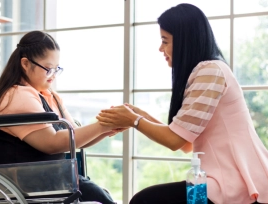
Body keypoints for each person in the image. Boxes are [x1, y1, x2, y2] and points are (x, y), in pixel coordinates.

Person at [96, 3, 268, 204]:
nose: (161, 48)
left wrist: (134, 120)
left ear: (186, 41)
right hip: (219, 183)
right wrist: (139, 115)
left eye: (165, 41)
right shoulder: (206, 71)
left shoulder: (210, 71)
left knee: (144, 200)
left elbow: (175, 141)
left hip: (233, 185)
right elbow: (186, 143)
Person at [0, 30, 118, 204]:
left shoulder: (47, 94)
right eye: (48, 69)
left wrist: (108, 127)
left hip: (44, 177)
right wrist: (103, 126)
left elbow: (72, 137)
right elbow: (52, 144)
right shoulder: (18, 95)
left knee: (98, 196)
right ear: (26, 64)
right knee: (99, 198)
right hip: (19, 182)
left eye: (56, 69)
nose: (52, 75)